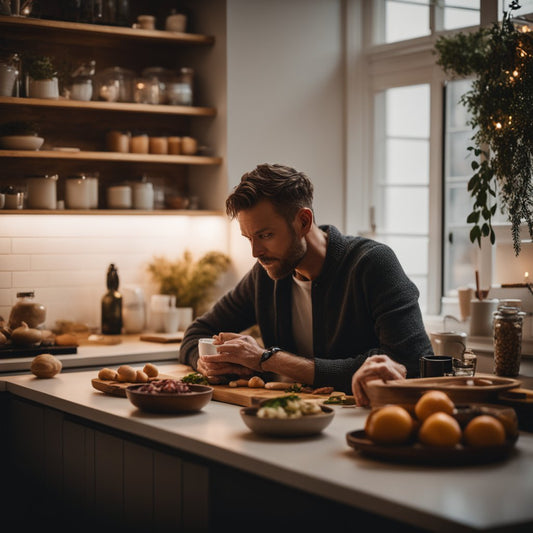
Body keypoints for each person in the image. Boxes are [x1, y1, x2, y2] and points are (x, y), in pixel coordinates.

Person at [179, 163, 433, 406]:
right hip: (290, 420)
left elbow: (412, 363)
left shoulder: (372, 264)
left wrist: (267, 359)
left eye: (266, 235)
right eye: (249, 238)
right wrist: (206, 361)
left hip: (365, 420)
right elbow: (195, 334)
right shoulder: (264, 276)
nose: (255, 251)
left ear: (303, 221)